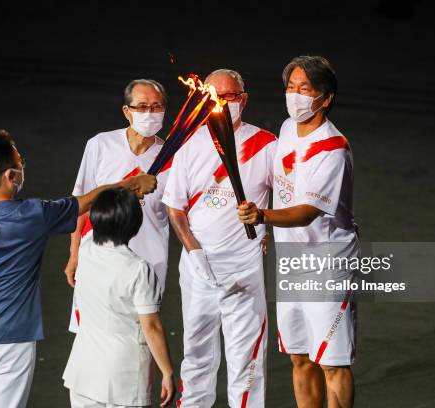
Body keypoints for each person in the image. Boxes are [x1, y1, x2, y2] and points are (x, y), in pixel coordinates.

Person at [0, 130, 156, 408]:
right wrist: (132, 183)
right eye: (21, 162)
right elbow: (89, 200)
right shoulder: (34, 214)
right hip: (13, 339)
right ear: (10, 175)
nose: (23, 167)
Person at [237, 56, 359, 408]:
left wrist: (262, 216)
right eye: (291, 87)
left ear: (326, 97)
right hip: (292, 261)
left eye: (304, 89)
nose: (295, 96)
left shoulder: (333, 149)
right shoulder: (289, 129)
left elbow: (306, 212)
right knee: (300, 356)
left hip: (327, 264)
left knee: (332, 363)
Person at [162, 69, 277, 407]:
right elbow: (175, 208)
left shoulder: (267, 144)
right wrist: (194, 251)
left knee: (248, 360)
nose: (225, 103)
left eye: (231, 96)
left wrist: (268, 233)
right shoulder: (186, 143)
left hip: (245, 269)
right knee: (197, 354)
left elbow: (284, 197)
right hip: (199, 269)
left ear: (245, 98)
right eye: (217, 96)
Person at [65, 79, 171, 332]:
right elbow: (81, 203)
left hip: (149, 260)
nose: (150, 113)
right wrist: (74, 253)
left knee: (143, 337)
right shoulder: (100, 145)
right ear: (127, 111)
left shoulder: (173, 155)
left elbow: (181, 212)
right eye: (142, 106)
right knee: (91, 335)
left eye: (157, 107)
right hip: (98, 256)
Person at [63, 188, 175, 407]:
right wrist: (168, 372)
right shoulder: (139, 270)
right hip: (125, 377)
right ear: (134, 224)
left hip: (83, 372)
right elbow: (151, 326)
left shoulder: (85, 250)